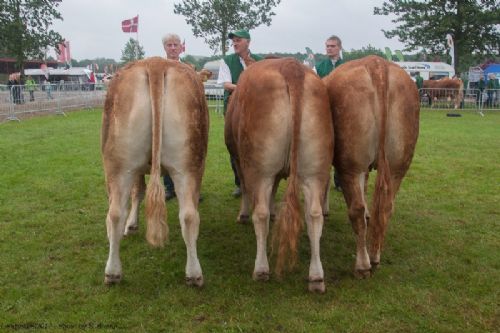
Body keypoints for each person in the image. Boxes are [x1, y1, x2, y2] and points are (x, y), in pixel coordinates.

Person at [217, 29, 263, 197]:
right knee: (234, 145)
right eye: (233, 41)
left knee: (258, 144)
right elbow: (226, 84)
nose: (234, 43)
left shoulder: (259, 61)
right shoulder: (227, 60)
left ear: (248, 42)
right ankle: (240, 183)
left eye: (238, 40)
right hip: (234, 108)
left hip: (257, 109)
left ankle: (258, 181)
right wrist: (247, 88)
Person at [315, 35, 345, 191]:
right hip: (325, 110)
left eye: (332, 46)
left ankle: (340, 180)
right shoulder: (319, 66)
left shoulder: (348, 66)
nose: (329, 48)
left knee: (343, 144)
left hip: (344, 111)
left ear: (339, 47)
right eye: (327, 46)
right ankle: (323, 177)